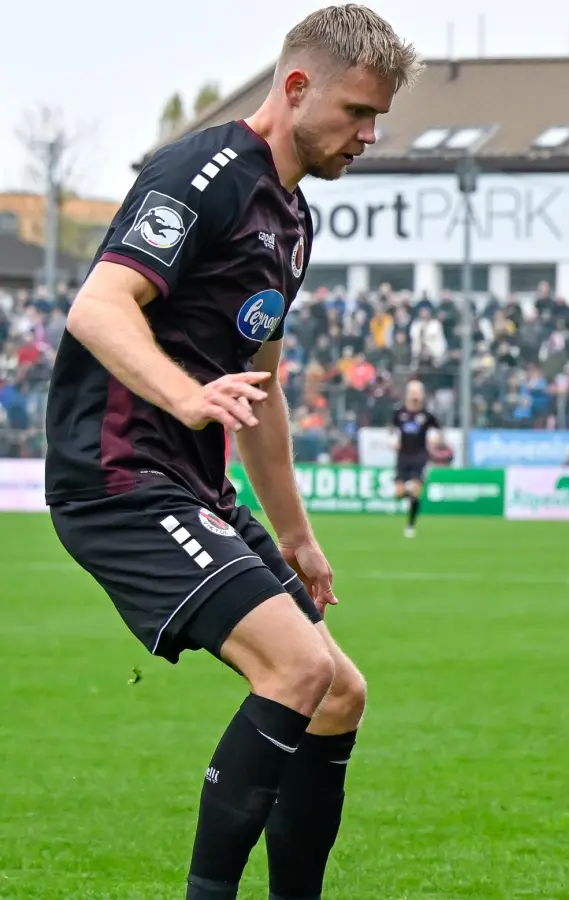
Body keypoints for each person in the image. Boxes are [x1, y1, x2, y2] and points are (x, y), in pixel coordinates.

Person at [42, 8, 420, 899]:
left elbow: (263, 390)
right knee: (298, 669)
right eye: (359, 113)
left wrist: (297, 535)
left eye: (378, 120)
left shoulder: (291, 217)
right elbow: (97, 308)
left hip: (192, 487)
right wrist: (183, 394)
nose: (369, 136)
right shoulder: (200, 172)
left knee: (338, 694)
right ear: (296, 89)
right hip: (118, 483)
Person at [392, 379, 443, 537]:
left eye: (418, 392)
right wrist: (393, 440)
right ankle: (407, 489)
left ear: (421, 395)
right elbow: (393, 430)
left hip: (419, 456)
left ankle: (410, 525)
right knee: (399, 493)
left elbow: (438, 431)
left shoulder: (427, 415)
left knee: (415, 490)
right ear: (407, 394)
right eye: (412, 392)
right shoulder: (399, 413)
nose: (415, 395)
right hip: (402, 456)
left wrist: (435, 439)